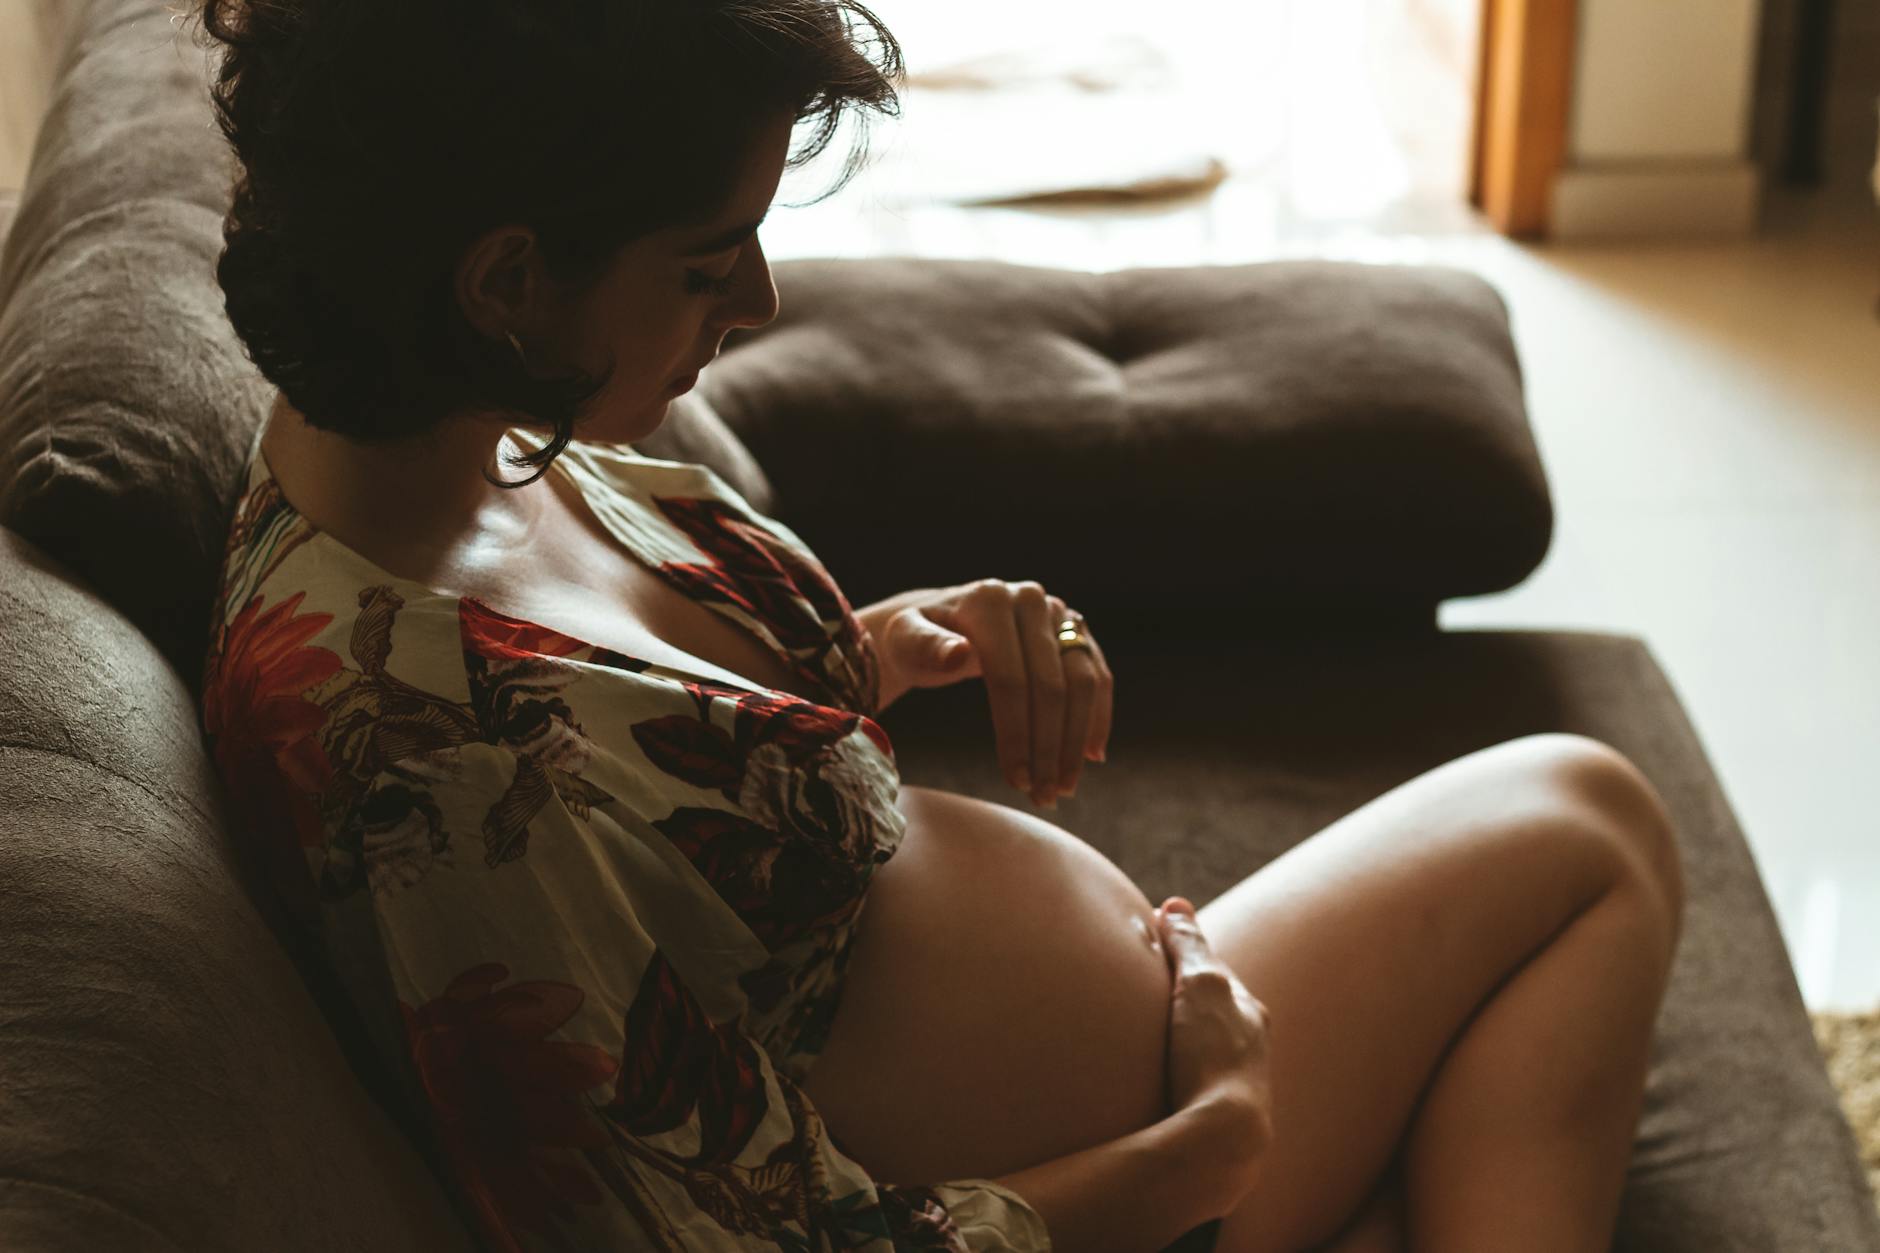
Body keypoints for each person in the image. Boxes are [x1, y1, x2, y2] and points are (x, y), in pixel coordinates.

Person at [189, 2, 1687, 1250]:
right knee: (1588, 827)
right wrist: (1207, 1147)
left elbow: (645, 792)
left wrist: (870, 653)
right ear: (508, 279)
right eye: (707, 262)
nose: (761, 300)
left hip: (1137, 1098)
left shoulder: (441, 440)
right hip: (1128, 1181)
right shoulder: (431, 764)